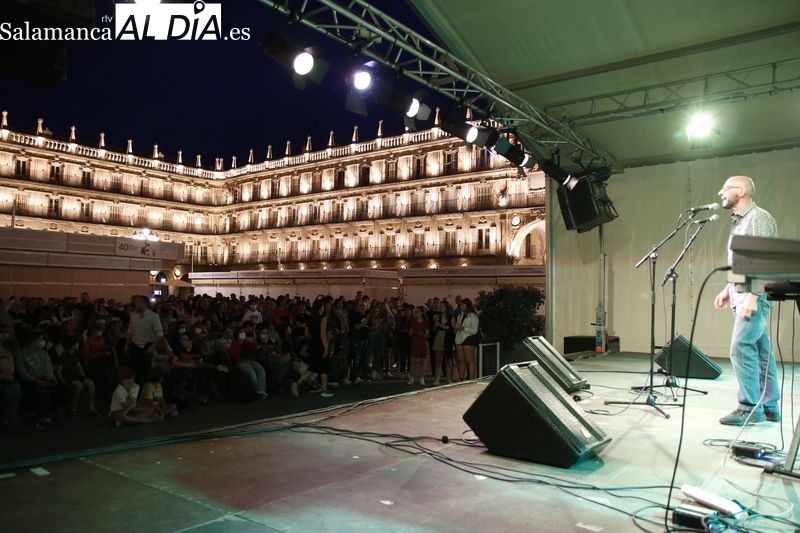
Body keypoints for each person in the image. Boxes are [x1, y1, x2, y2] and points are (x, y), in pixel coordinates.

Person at [713, 175, 780, 426]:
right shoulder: (740, 222)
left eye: (725, 188)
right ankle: (770, 406)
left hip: (753, 297)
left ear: (741, 191)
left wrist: (753, 295)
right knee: (762, 353)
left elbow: (765, 258)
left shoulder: (758, 217)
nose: (721, 192)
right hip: (742, 293)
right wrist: (728, 289)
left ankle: (749, 407)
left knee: (740, 348)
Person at [453, 298, 480, 381]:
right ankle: (461, 378)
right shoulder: (460, 315)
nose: (461, 306)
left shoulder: (473, 316)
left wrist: (463, 328)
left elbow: (474, 330)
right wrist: (456, 328)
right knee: (461, 361)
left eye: (462, 305)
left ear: (467, 306)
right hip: (459, 338)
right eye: (460, 305)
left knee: (470, 360)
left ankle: (471, 379)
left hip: (469, 338)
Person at [408, 306, 430, 386]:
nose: (416, 313)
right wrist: (411, 333)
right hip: (415, 341)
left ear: (421, 313)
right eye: (415, 311)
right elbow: (410, 332)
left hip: (422, 342)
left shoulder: (425, 322)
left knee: (423, 361)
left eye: (417, 311)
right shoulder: (413, 322)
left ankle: (422, 377)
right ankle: (412, 377)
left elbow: (427, 334)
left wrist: (423, 334)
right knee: (413, 360)